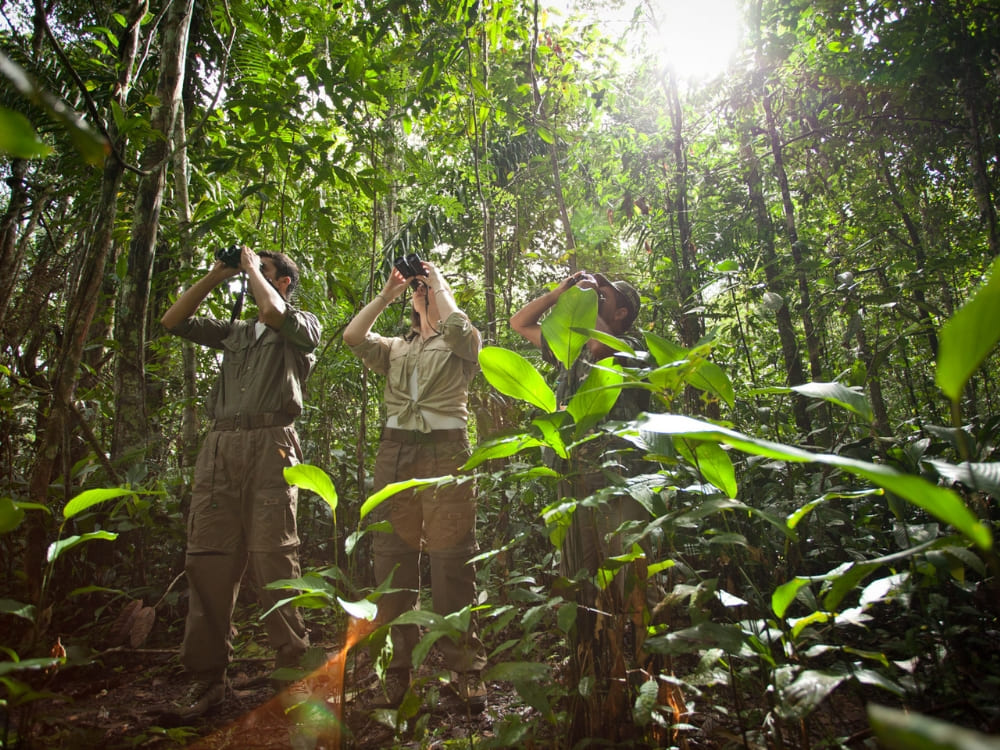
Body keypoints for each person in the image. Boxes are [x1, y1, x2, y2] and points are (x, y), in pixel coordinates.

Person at [161, 246, 320, 719]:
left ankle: (292, 674)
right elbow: (173, 321)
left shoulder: (299, 322)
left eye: (266, 272)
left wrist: (253, 269)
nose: (253, 278)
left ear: (284, 282)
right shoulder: (235, 333)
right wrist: (216, 273)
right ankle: (208, 680)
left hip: (272, 444)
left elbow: (272, 310)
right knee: (208, 559)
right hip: (220, 449)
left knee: (275, 558)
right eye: (255, 271)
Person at [342, 259, 488, 714]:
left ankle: (464, 669)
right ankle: (398, 669)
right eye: (418, 292)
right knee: (393, 558)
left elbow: (462, 328)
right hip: (395, 453)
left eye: (427, 290)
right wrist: (389, 293)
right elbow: (351, 337)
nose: (421, 293)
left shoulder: (460, 343)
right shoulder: (394, 348)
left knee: (452, 559)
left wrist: (438, 281)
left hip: (447, 452)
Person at [510, 270, 647, 584]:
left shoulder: (631, 345)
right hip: (572, 471)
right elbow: (519, 323)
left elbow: (601, 348)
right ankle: (589, 631)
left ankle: (634, 629)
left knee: (624, 567)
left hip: (616, 471)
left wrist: (584, 301)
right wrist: (559, 294)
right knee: (577, 570)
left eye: (603, 296)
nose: (594, 297)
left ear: (621, 312)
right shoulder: (570, 347)